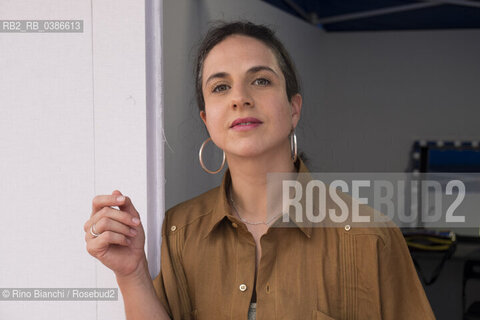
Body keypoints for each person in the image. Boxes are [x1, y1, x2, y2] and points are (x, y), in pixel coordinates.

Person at [84, 21, 435, 320]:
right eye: (220, 87)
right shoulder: (178, 232)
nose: (240, 97)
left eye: (261, 81)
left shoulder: (369, 236)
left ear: (293, 109)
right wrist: (131, 274)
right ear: (208, 121)